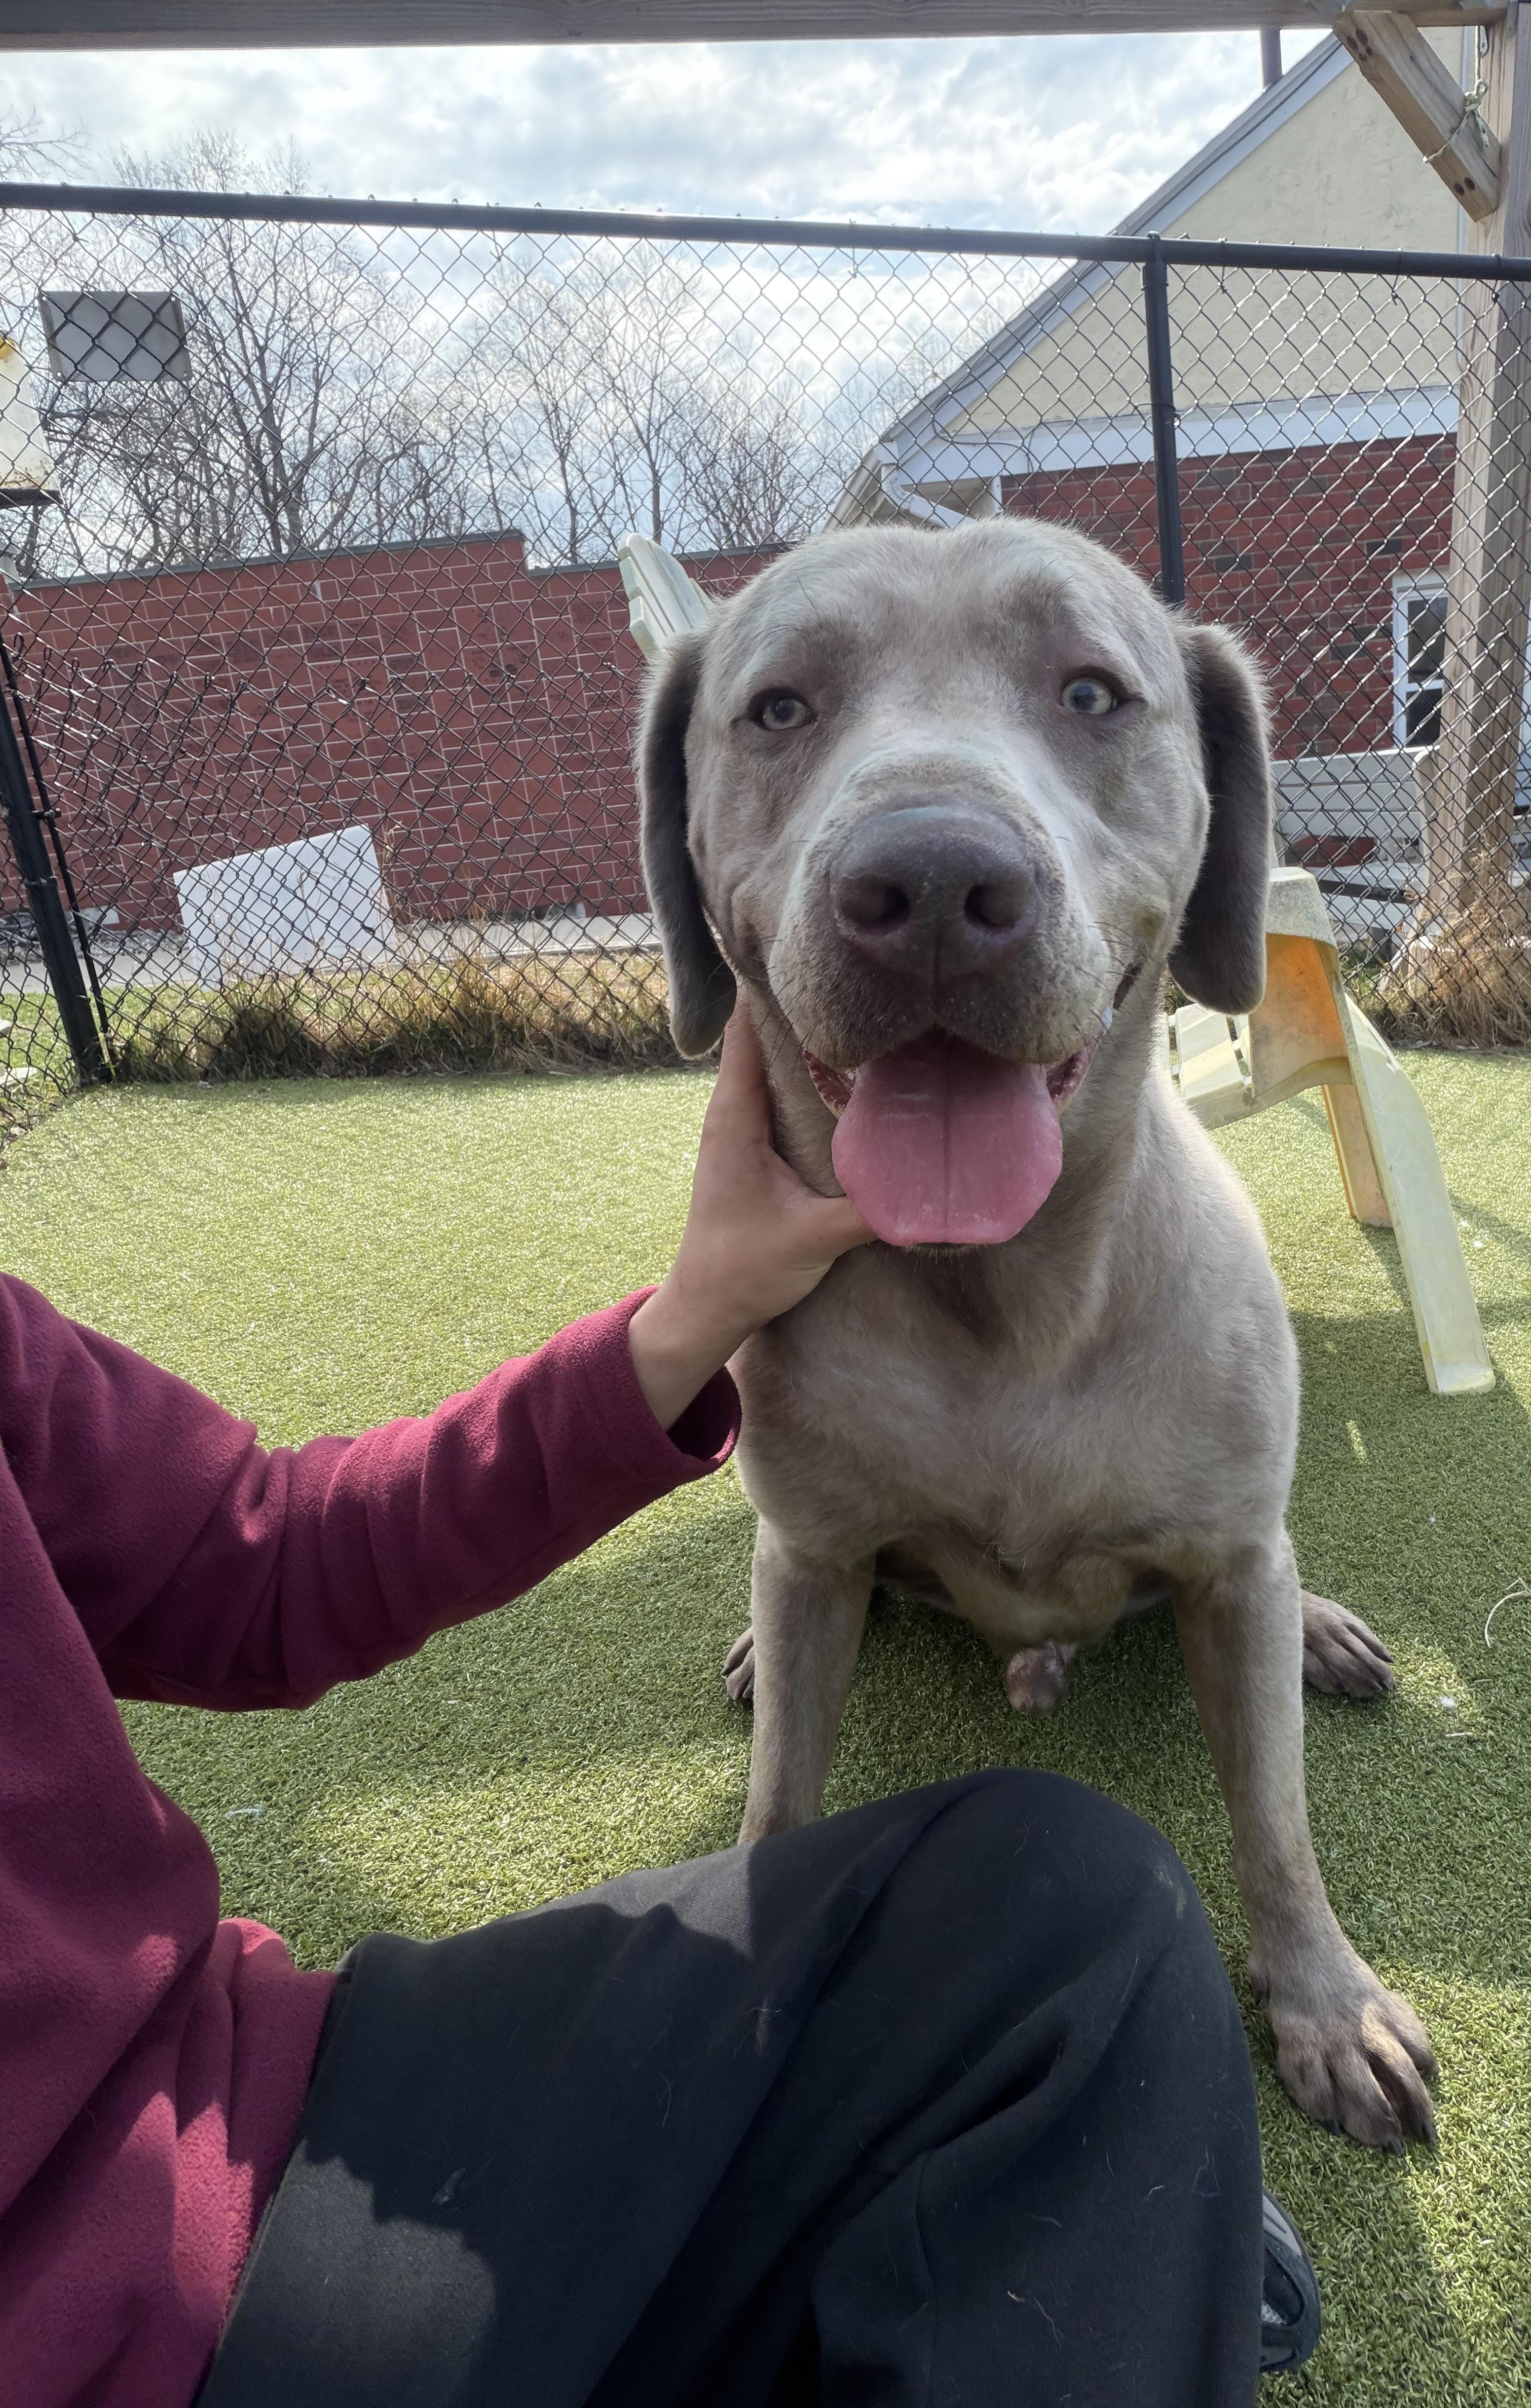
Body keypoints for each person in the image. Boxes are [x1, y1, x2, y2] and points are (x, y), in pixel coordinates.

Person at [0, 1005, 1320, 2407]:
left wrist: (694, 1313)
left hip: (274, 2124)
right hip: (139, 2340)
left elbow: (253, 1561)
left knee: (1073, 1914)